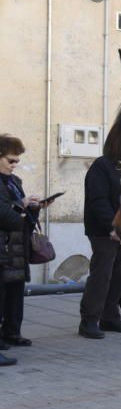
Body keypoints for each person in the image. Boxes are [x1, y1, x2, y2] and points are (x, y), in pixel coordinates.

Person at [0, 135, 51, 363]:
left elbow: (20, 217)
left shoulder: (15, 181)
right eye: (11, 160)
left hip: (18, 247)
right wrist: (21, 207)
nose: (14, 165)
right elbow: (5, 215)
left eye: (17, 161)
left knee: (15, 292)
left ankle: (12, 332)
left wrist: (35, 208)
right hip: (3, 245)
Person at [78, 156, 121, 339]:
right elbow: (98, 199)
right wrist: (112, 226)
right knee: (102, 274)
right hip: (103, 230)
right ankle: (89, 320)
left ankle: (109, 316)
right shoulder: (102, 166)